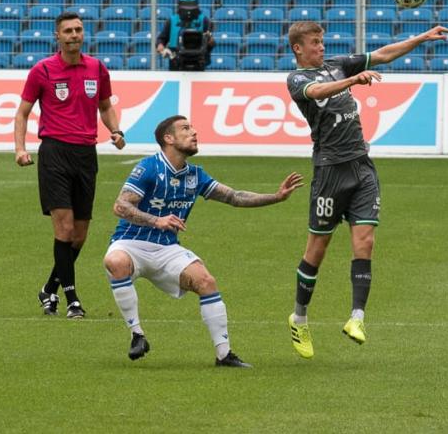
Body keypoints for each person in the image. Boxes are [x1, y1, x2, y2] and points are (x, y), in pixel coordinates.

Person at [285, 21, 448, 359]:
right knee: (317, 249)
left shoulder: (336, 64)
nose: (321, 46)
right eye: (314, 42)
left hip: (361, 167)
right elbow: (317, 94)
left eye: (322, 40)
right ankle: (299, 318)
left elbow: (383, 55)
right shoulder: (297, 80)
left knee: (365, 241)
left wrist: (420, 37)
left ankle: (356, 318)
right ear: (298, 49)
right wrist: (352, 81)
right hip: (329, 171)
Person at [104, 115, 303, 365]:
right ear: (168, 138)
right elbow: (120, 205)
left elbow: (234, 196)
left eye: (193, 127)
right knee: (115, 260)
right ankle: (137, 335)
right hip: (131, 243)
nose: (194, 132)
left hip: (167, 248)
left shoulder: (195, 175)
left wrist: (276, 197)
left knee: (206, 281)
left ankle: (224, 355)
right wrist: (157, 220)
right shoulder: (148, 167)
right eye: (186, 129)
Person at [14, 11, 126, 319]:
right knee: (63, 228)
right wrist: (20, 148)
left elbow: (105, 106)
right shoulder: (42, 71)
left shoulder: (97, 68)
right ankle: (72, 299)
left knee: (79, 234)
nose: (74, 35)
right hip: (54, 154)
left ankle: (49, 289)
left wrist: (115, 131)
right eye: (68, 31)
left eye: (78, 30)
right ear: (58, 37)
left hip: (86, 155)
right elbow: (22, 112)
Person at [156, 0, 214, 71]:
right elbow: (161, 39)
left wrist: (210, 41)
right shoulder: (172, 20)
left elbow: (210, 44)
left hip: (198, 62)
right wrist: (161, 47)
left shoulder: (204, 20)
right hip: (176, 62)